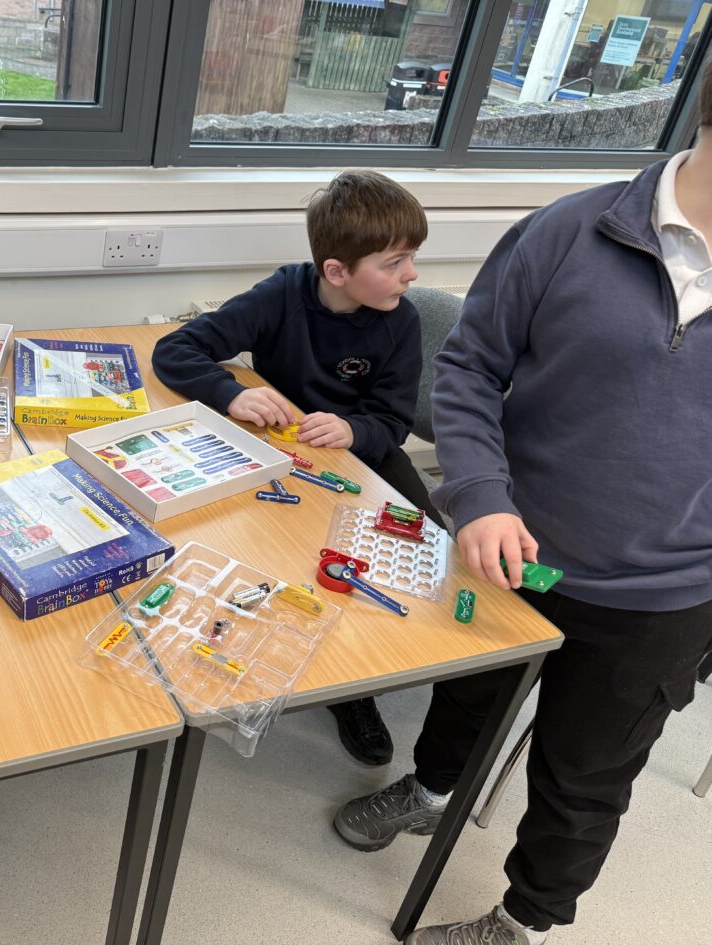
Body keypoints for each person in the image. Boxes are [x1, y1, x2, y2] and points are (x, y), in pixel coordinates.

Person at [332, 58, 712, 945]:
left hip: (663, 593)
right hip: (511, 548)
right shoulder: (571, 230)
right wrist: (479, 494)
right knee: (466, 697)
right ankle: (432, 791)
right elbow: (469, 366)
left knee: (586, 775)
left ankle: (523, 919)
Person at [151, 169, 436, 767]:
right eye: (395, 262)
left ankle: (358, 686)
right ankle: (312, 663)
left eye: (411, 258)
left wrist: (355, 429)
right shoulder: (283, 293)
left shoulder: (399, 319)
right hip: (283, 455)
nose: (411, 274)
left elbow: (392, 420)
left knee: (421, 552)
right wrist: (231, 394)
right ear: (337, 271)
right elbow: (175, 350)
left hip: (365, 457)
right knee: (287, 558)